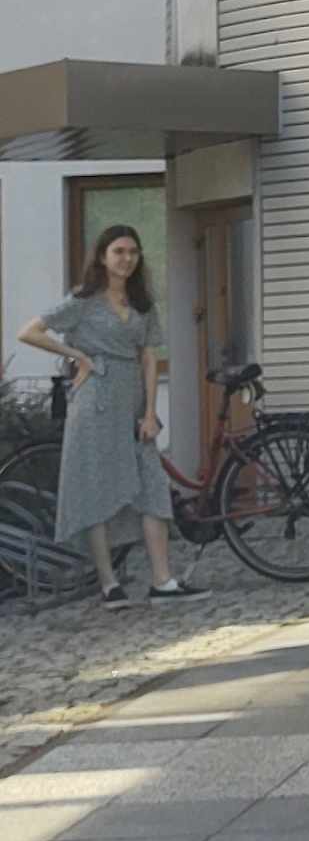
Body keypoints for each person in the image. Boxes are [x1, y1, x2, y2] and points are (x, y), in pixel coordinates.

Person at [16, 226, 207, 607]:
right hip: (94, 402)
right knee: (96, 489)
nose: (127, 258)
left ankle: (162, 581)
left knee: (152, 485)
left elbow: (149, 357)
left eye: (133, 251)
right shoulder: (83, 299)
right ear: (103, 256)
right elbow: (29, 332)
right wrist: (79, 356)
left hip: (132, 401)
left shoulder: (142, 303)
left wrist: (150, 412)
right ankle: (109, 584)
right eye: (119, 251)